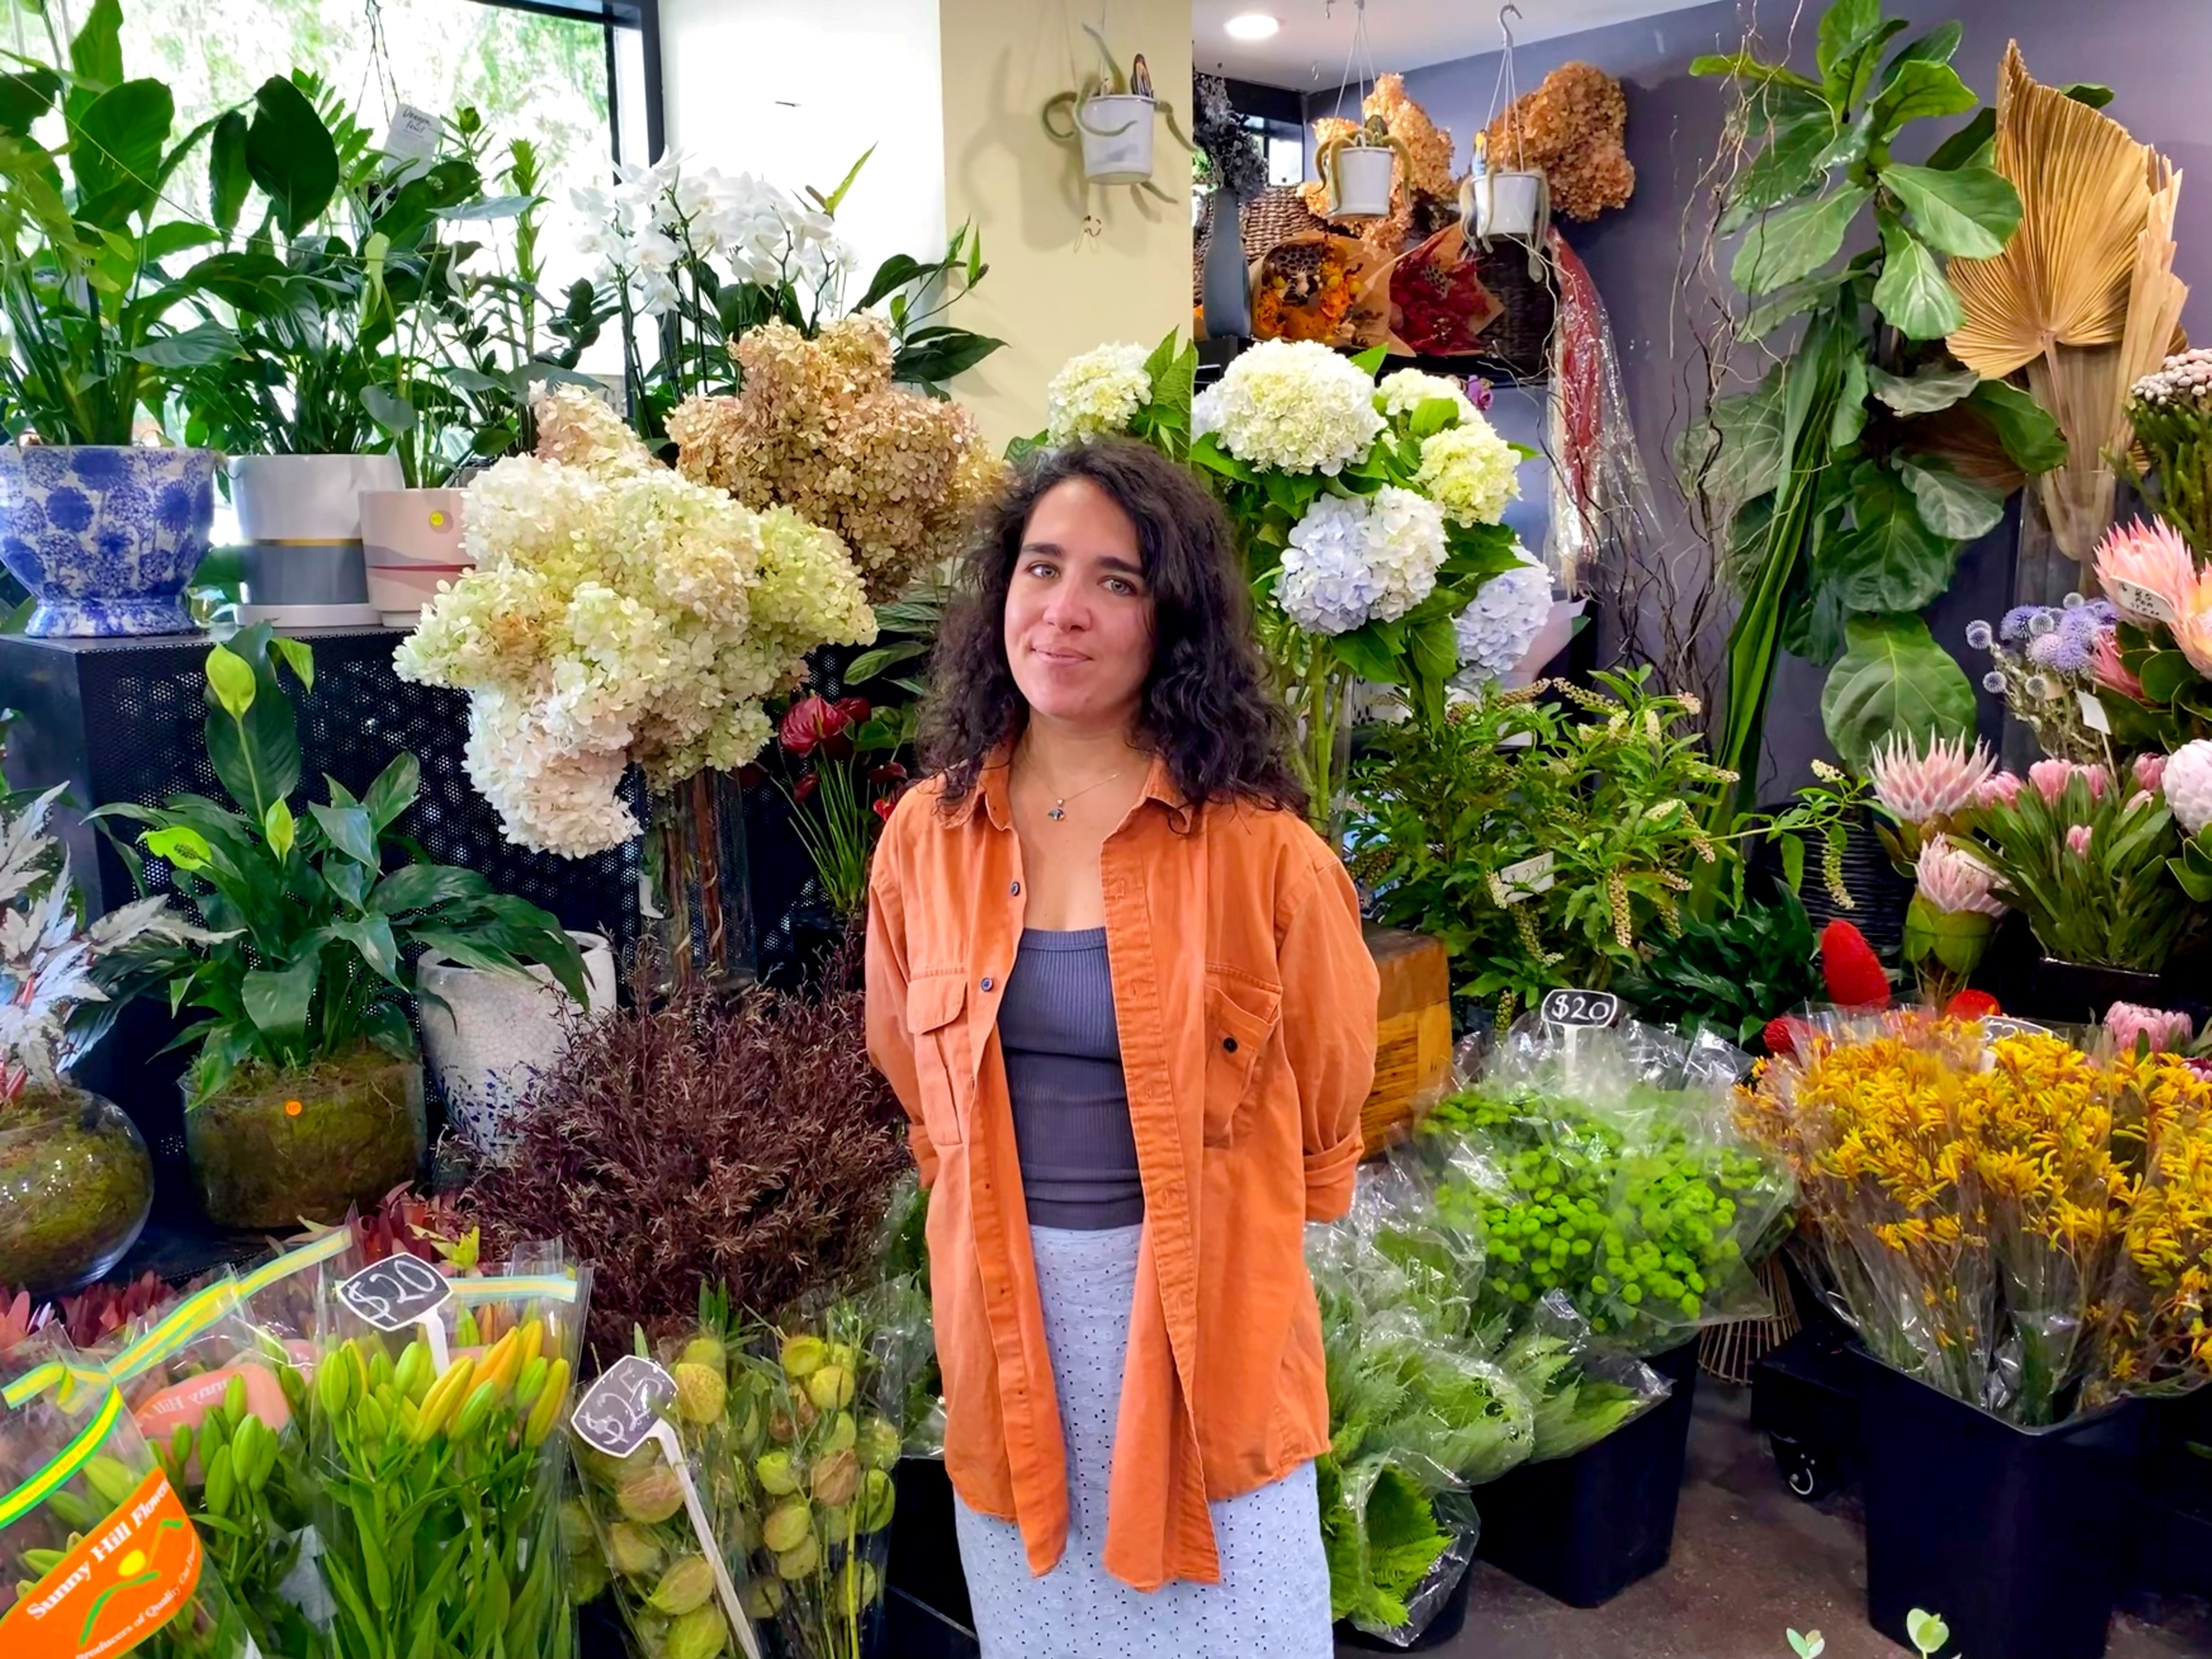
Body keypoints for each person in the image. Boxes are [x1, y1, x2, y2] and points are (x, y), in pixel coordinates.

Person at [865, 437, 1380, 1657]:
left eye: (1118, 581)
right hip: (1004, 1319)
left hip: (1207, 1327)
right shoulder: (924, 842)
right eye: (1042, 569)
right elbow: (913, 1070)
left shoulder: (1262, 856)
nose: (1066, 612)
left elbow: (1332, 1081)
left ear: (1174, 621)